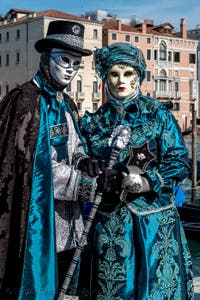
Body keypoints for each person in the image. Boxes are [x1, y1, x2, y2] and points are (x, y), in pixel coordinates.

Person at [79, 43, 194, 299]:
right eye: (114, 74)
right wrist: (91, 170)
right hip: (109, 227)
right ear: (104, 77)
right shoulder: (92, 123)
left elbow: (179, 161)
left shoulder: (158, 116)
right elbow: (82, 162)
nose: (121, 80)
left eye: (128, 73)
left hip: (153, 223)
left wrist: (147, 181)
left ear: (139, 76)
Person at [0, 20, 104, 300]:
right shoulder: (24, 102)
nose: (71, 68)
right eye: (64, 60)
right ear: (46, 58)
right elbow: (34, 168)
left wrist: (84, 162)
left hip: (69, 230)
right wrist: (86, 185)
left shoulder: (67, 104)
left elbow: (76, 146)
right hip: (35, 227)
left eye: (76, 63)